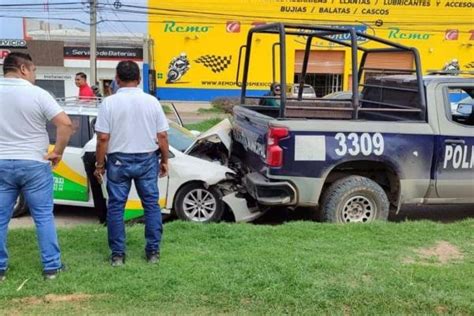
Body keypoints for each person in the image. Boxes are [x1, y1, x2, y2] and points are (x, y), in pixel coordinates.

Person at [0, 52, 73, 280]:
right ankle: (51, 267)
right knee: (43, 216)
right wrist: (57, 152)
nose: (34, 76)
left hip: (2, 162)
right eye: (33, 71)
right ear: (23, 69)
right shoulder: (37, 94)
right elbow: (65, 124)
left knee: (1, 217)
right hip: (34, 162)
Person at [94, 60, 169, 267]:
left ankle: (118, 255)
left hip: (118, 161)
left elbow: (102, 139)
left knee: (116, 207)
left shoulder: (108, 103)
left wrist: (100, 165)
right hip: (147, 159)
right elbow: (162, 135)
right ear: (139, 79)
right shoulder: (152, 101)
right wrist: (164, 160)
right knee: (151, 206)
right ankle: (153, 252)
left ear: (117, 78)